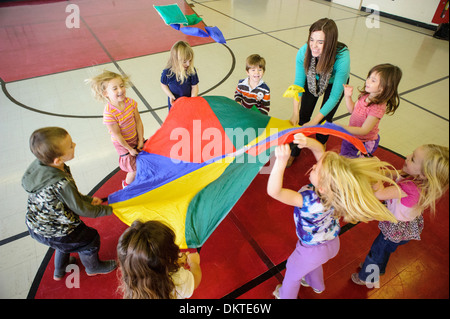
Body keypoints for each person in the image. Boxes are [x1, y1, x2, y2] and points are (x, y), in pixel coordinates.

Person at [268, 133, 399, 299]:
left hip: (311, 250)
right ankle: (316, 285)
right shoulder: (337, 192)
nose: (314, 166)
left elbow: (275, 192)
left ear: (322, 187)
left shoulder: (309, 201)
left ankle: (284, 295)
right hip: (331, 244)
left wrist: (280, 163)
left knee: (292, 273)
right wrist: (307, 142)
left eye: (316, 168)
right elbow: (320, 151)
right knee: (315, 264)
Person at [23, 127, 116, 281]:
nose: (75, 144)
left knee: (63, 244)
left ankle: (60, 270)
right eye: (71, 146)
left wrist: (86, 199)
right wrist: (106, 210)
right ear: (57, 160)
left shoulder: (42, 166)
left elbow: (67, 198)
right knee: (89, 240)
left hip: (38, 225)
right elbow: (81, 209)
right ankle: (93, 267)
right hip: (58, 229)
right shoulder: (61, 183)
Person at [351, 144, 449, 286]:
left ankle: (367, 277)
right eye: (411, 154)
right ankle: (379, 268)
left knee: (376, 252)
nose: (407, 157)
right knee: (383, 251)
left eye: (413, 159)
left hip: (396, 227)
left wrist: (374, 169)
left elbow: (380, 193)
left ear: (424, 174)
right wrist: (376, 169)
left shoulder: (411, 189)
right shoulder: (414, 177)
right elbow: (390, 174)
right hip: (403, 225)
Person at [288, 18, 350, 166]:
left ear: (330, 43)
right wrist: (295, 111)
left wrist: (314, 122)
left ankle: (321, 144)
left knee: (325, 119)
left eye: (320, 42)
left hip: (332, 83)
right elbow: (298, 84)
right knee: (303, 115)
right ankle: (294, 151)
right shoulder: (304, 52)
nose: (314, 46)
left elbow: (334, 96)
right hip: (312, 79)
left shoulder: (342, 57)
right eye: (312, 39)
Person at [87, 70, 144, 188]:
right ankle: (126, 186)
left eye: (122, 86)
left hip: (135, 137)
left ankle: (139, 179)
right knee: (133, 169)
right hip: (122, 144)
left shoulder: (131, 103)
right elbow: (117, 135)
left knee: (140, 160)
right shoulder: (109, 113)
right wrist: (129, 149)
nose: (120, 90)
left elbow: (138, 121)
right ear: (105, 93)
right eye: (115, 88)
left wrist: (140, 140)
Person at [117, 220, 202, 299]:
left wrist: (173, 261)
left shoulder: (134, 277)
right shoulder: (179, 279)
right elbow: (196, 279)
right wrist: (194, 263)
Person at [339, 63, 402, 158]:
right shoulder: (365, 96)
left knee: (358, 164)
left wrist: (343, 128)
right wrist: (348, 96)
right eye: (369, 77)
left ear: (383, 88)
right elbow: (352, 110)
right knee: (344, 157)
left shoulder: (378, 107)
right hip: (352, 135)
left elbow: (364, 130)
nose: (367, 81)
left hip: (366, 142)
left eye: (373, 80)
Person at [161, 41, 199, 110]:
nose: (188, 64)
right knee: (177, 119)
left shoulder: (191, 71)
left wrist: (193, 99)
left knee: (195, 119)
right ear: (175, 60)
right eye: (184, 62)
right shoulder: (168, 72)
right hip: (175, 103)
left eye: (190, 61)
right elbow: (163, 85)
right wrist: (170, 96)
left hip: (189, 102)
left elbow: (194, 86)